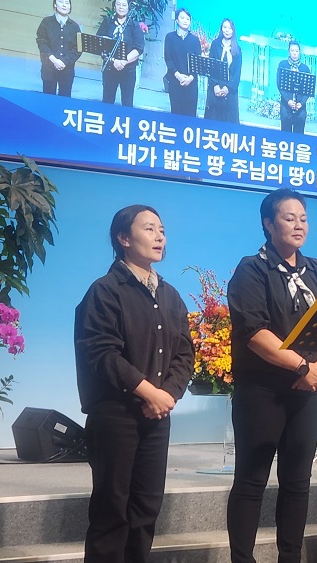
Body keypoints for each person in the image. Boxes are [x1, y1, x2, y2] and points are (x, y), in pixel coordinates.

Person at [74, 204, 194, 563]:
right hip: (116, 416)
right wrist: (149, 392)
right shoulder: (105, 291)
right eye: (149, 229)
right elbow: (101, 353)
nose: (159, 236)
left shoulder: (170, 295)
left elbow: (184, 353)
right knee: (112, 512)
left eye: (162, 230)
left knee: (145, 510)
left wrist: (167, 395)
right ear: (123, 239)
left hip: (156, 417)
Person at [226, 188, 317, 563]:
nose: (298, 225)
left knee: (298, 482)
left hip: (308, 390)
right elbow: (255, 334)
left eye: (303, 218)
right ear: (268, 224)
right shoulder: (252, 269)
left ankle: (290, 558)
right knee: (251, 480)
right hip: (262, 390)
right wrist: (303, 367)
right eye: (289, 218)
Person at [96, 0, 144, 107]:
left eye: (124, 5)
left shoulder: (134, 25)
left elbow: (139, 48)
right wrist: (113, 60)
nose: (121, 7)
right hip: (110, 68)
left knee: (127, 102)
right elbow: (100, 43)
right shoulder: (107, 22)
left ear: (128, 7)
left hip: (128, 70)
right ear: (114, 6)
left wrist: (123, 61)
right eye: (118, 4)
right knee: (107, 101)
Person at [36, 0, 81, 97]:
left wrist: (65, 61)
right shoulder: (46, 22)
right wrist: (53, 60)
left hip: (67, 69)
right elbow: (42, 43)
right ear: (55, 5)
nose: (64, 5)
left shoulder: (75, 26)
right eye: (61, 2)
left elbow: (78, 49)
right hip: (48, 68)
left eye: (67, 3)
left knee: (65, 100)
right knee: (48, 99)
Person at [203, 18, 242, 124]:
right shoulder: (215, 44)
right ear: (221, 29)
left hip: (230, 92)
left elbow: (237, 73)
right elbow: (211, 67)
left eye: (230, 28)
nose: (227, 30)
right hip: (214, 88)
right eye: (225, 27)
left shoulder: (237, 49)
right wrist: (215, 85)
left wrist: (227, 88)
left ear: (233, 30)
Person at [163, 8, 198, 117]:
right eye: (182, 18)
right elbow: (168, 59)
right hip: (175, 81)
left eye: (188, 19)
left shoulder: (195, 40)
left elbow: (198, 63)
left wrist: (190, 78)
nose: (185, 21)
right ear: (177, 20)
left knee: (190, 116)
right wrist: (178, 76)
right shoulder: (170, 37)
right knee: (176, 114)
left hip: (191, 83)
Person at [277, 42, 311, 134]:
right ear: (289, 52)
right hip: (286, 106)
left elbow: (308, 90)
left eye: (296, 51)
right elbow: (279, 85)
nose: (294, 53)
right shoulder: (282, 65)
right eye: (292, 51)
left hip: (301, 109)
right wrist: (288, 100)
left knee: (299, 135)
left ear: (299, 52)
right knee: (285, 135)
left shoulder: (305, 69)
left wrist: (301, 103)